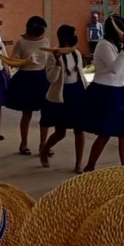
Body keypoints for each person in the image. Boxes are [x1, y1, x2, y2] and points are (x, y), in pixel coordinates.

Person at [81, 15, 124, 171]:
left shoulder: (118, 45)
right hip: (105, 91)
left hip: (120, 90)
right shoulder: (104, 45)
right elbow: (115, 68)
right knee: (105, 132)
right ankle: (90, 166)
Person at [40, 25, 87, 172]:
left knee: (80, 130)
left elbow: (80, 74)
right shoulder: (53, 55)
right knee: (60, 132)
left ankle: (78, 163)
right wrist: (58, 64)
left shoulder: (76, 54)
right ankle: (44, 149)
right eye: (72, 34)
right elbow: (51, 78)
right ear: (65, 37)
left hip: (76, 93)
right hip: (60, 96)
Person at [6, 16, 49, 156]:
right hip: (26, 79)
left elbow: (48, 61)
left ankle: (44, 144)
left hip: (42, 78)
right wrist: (26, 61)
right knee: (27, 113)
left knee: (46, 114)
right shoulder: (21, 42)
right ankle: (23, 143)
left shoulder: (46, 41)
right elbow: (13, 61)